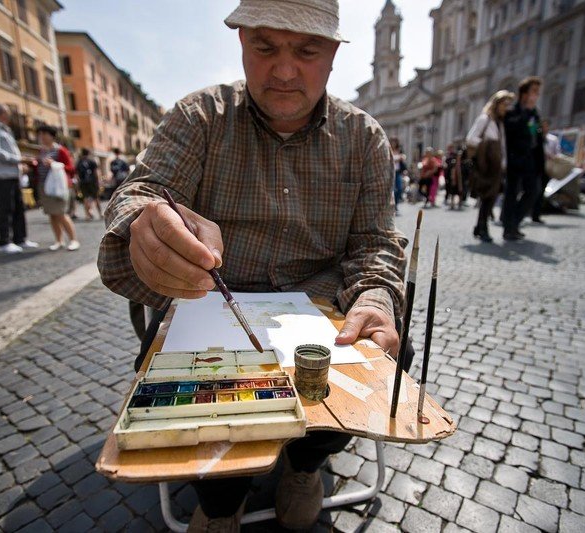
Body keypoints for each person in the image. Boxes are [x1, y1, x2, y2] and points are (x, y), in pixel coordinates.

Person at [98, 1, 408, 530]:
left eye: (307, 51)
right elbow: (143, 192)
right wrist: (145, 226)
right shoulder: (201, 117)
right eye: (265, 47)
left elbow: (375, 242)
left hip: (323, 311)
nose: (284, 71)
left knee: (385, 357)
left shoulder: (364, 139)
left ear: (333, 55)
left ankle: (306, 463)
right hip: (214, 302)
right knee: (198, 382)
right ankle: (221, 500)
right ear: (241, 43)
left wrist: (376, 298)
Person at [0, 103, 38, 253]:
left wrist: (19, 163)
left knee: (18, 207)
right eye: (8, 113)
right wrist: (18, 160)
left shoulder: (3, 128)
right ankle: (5, 241)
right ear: (2, 113)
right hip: (2, 175)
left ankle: (20, 238)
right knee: (5, 208)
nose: (10, 116)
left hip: (12, 174)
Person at [466, 90, 514, 242]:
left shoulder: (500, 124)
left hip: (496, 167)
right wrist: (486, 149)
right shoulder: (484, 119)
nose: (506, 108)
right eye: (504, 104)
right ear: (497, 104)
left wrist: (503, 162)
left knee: (491, 198)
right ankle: (482, 227)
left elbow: (503, 146)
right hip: (485, 165)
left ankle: (480, 226)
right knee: (487, 197)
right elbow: (471, 138)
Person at [502, 76, 545, 241]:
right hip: (515, 159)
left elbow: (537, 138)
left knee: (533, 192)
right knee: (511, 193)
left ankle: (515, 222)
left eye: (537, 92)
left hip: (531, 160)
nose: (536, 95)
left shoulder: (535, 114)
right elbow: (511, 134)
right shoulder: (513, 112)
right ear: (524, 94)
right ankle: (508, 227)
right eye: (534, 91)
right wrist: (526, 112)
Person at [34, 125, 80, 251]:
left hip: (59, 186)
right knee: (52, 214)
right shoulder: (41, 151)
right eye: (40, 134)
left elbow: (71, 168)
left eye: (44, 134)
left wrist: (53, 164)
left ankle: (73, 239)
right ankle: (59, 240)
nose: (42, 137)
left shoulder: (60, 150)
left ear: (51, 135)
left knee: (61, 213)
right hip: (45, 186)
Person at [531, 119, 560, 223]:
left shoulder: (553, 139)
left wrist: (551, 156)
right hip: (535, 168)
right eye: (542, 126)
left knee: (541, 191)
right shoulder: (535, 138)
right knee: (533, 190)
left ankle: (536, 214)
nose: (544, 128)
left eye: (546, 126)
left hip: (546, 168)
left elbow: (557, 154)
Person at [76, 148, 102, 220]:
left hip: (83, 182)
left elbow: (77, 175)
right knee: (96, 197)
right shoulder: (92, 161)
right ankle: (100, 214)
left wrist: (78, 184)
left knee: (85, 198)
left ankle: (87, 215)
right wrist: (99, 181)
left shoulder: (79, 162)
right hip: (92, 181)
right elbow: (96, 172)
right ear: (89, 153)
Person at [391, 138, 406, 213]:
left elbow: (403, 158)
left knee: (399, 189)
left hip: (398, 172)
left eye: (395, 142)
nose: (394, 143)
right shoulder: (388, 149)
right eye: (393, 142)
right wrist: (398, 158)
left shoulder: (400, 150)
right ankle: (391, 206)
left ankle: (396, 205)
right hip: (390, 172)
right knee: (392, 190)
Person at [444, 144, 461, 209]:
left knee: (458, 190)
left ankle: (459, 202)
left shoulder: (455, 155)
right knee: (451, 190)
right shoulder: (448, 156)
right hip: (450, 175)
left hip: (456, 175)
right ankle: (452, 203)